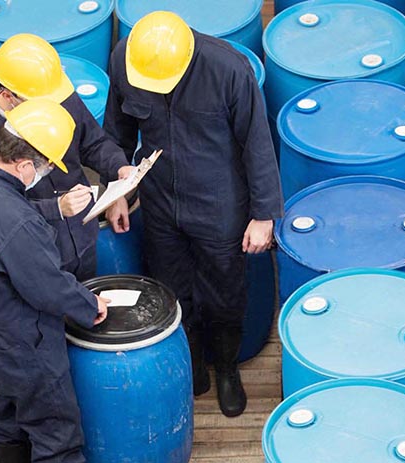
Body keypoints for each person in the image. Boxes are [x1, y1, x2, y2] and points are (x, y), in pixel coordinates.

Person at [103, 11, 283, 417]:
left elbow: (258, 144)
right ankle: (193, 363)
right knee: (172, 288)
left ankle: (225, 369)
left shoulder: (229, 70)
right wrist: (115, 192)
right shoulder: (124, 60)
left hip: (220, 204)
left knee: (224, 292)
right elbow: (116, 132)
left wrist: (264, 215)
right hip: (160, 201)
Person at [0, 99, 108, 463]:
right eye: (41, 169)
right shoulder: (17, 222)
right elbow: (48, 287)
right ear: (24, 164)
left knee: (2, 418)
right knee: (56, 435)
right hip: (23, 345)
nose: (41, 176)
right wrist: (89, 306)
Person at [0, 33, 135, 283]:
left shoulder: (56, 97)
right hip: (36, 254)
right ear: (9, 95)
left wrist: (118, 172)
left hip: (82, 234)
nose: (51, 109)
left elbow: (93, 143)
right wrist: (56, 208)